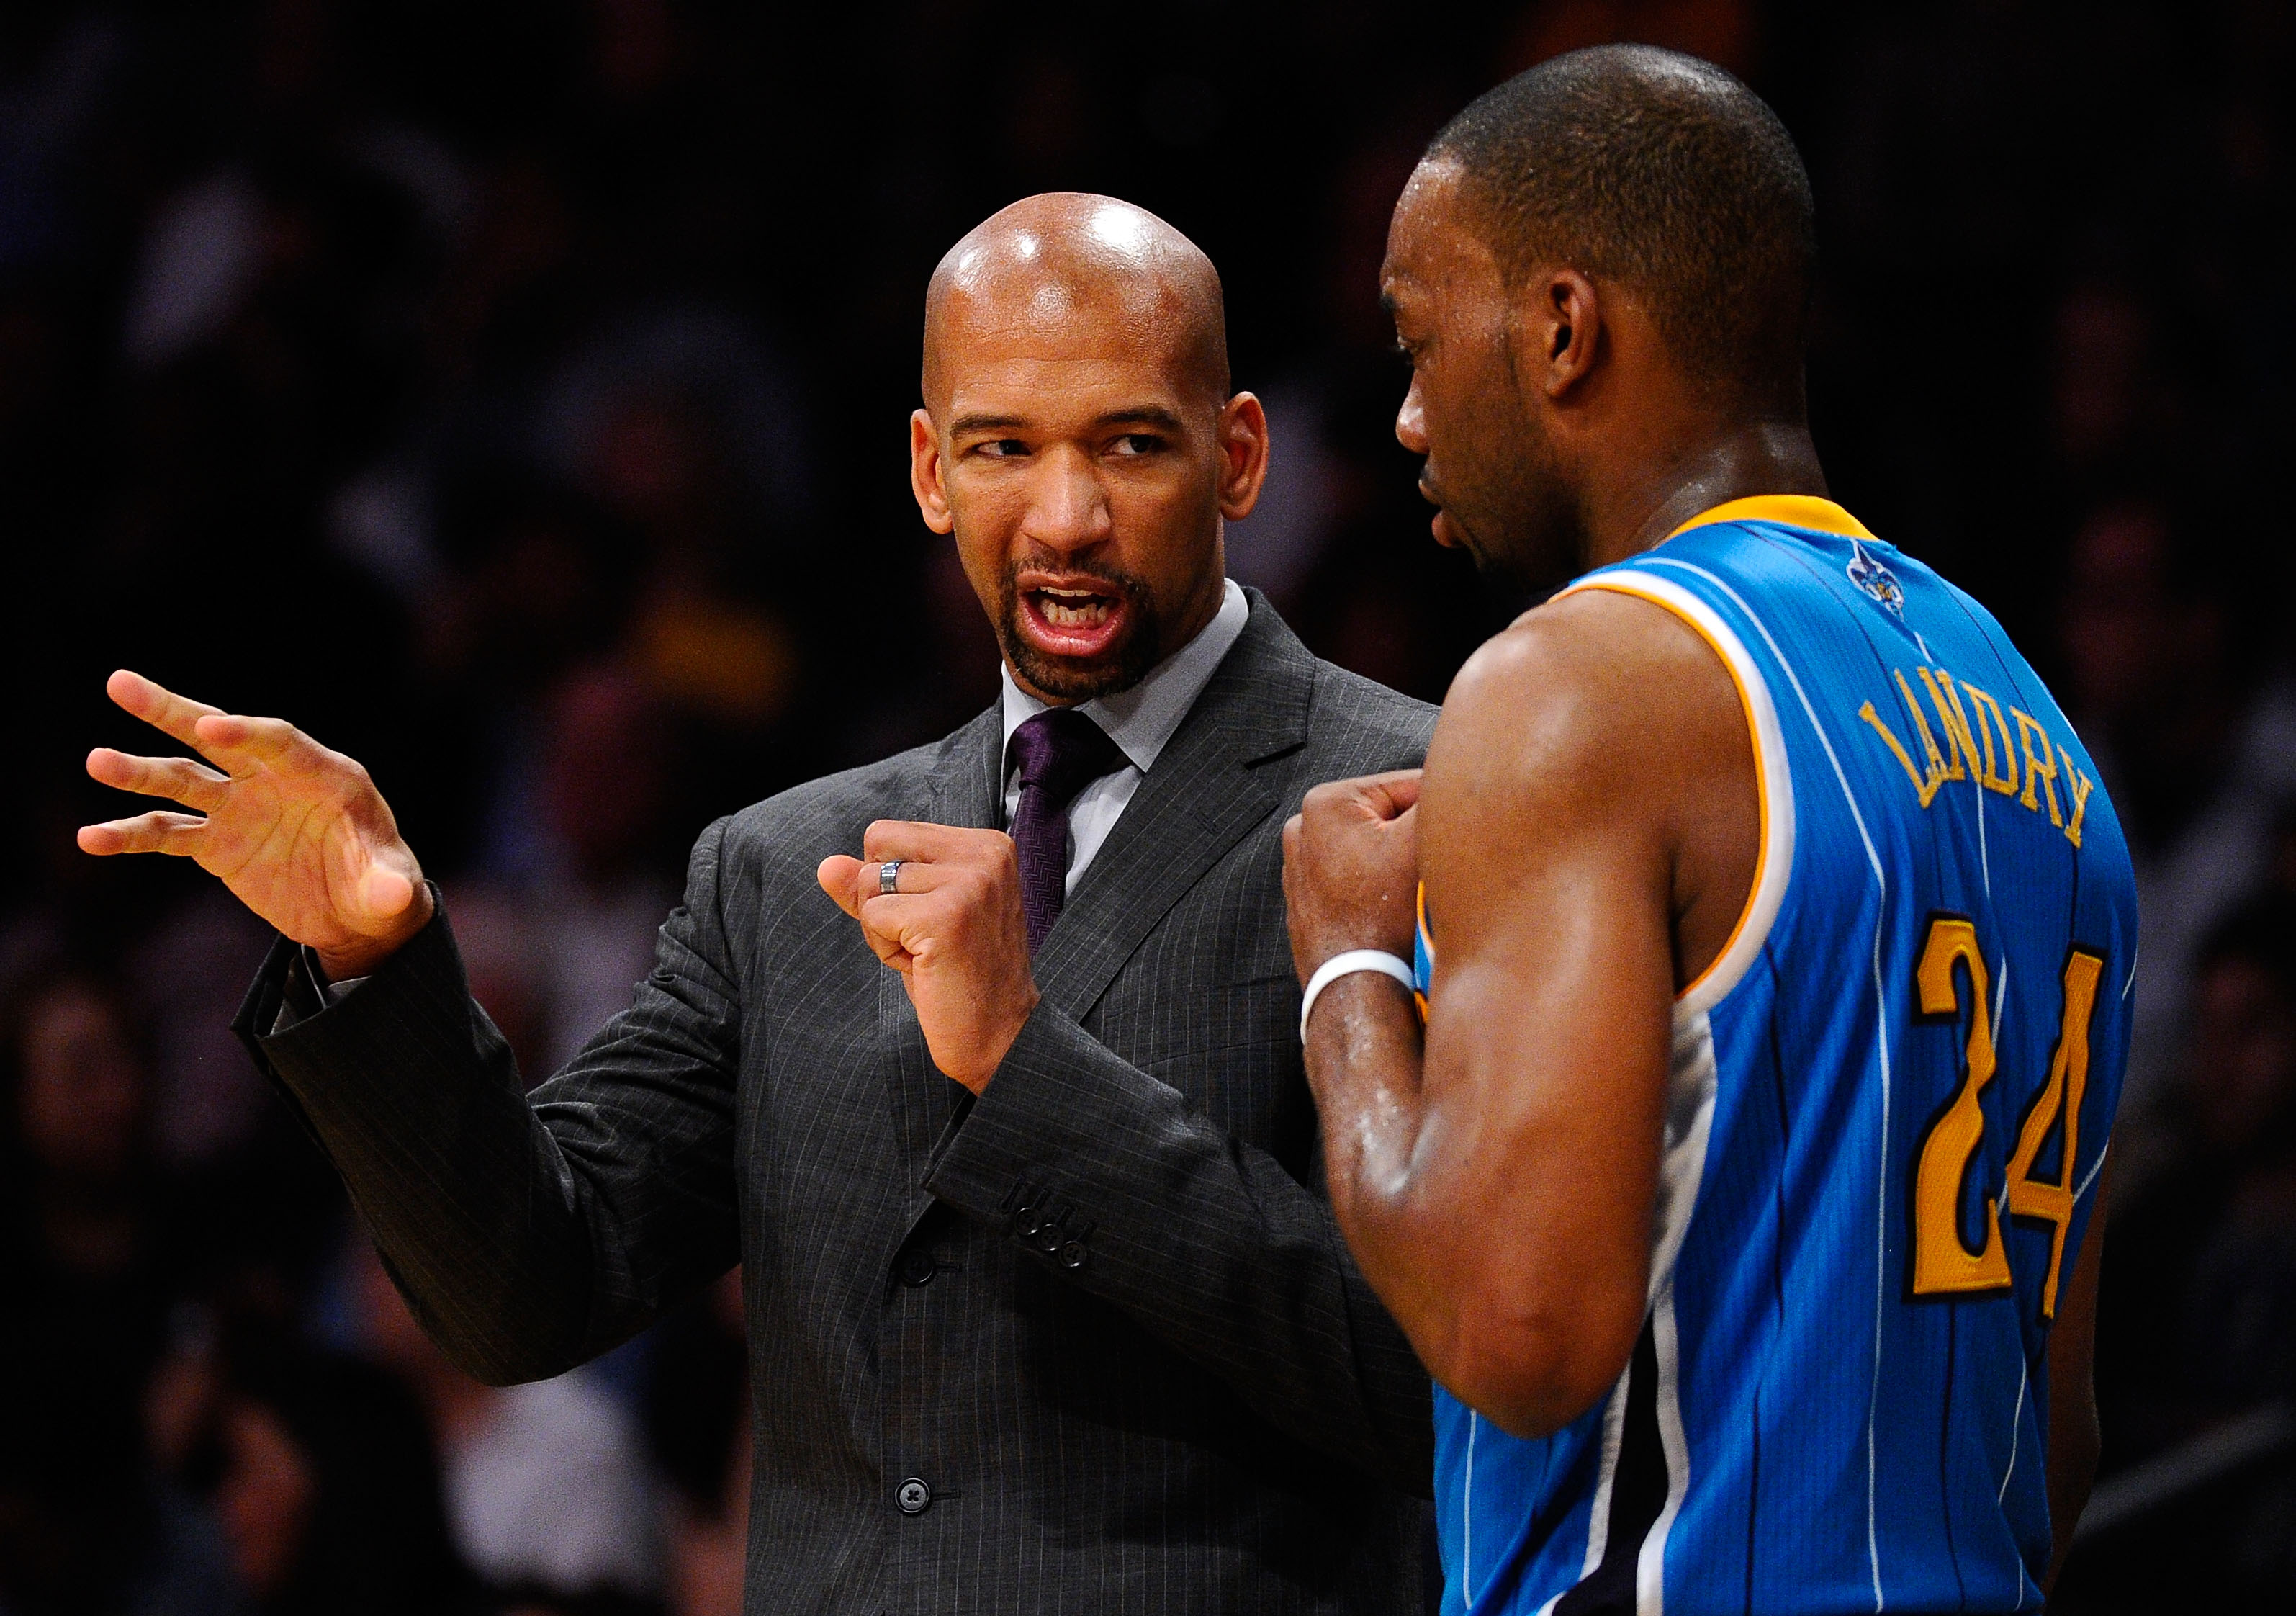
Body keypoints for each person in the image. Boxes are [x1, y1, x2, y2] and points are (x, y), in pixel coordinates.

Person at [80, 192, 1437, 1614]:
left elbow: (1431, 1376)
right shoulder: (782, 866)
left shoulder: (1423, 797)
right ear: (928, 472)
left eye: (1129, 445)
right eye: (1002, 448)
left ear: (1237, 456)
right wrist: (378, 956)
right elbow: (528, 1291)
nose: (1065, 518)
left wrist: (1026, 1070)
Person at [1283, 47, 2138, 1615]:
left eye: (1418, 341)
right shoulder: (2035, 722)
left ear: (1561, 328)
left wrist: (1345, 974)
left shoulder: (1578, 684)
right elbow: (2053, 1435)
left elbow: (1518, 1336)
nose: (1404, 416)